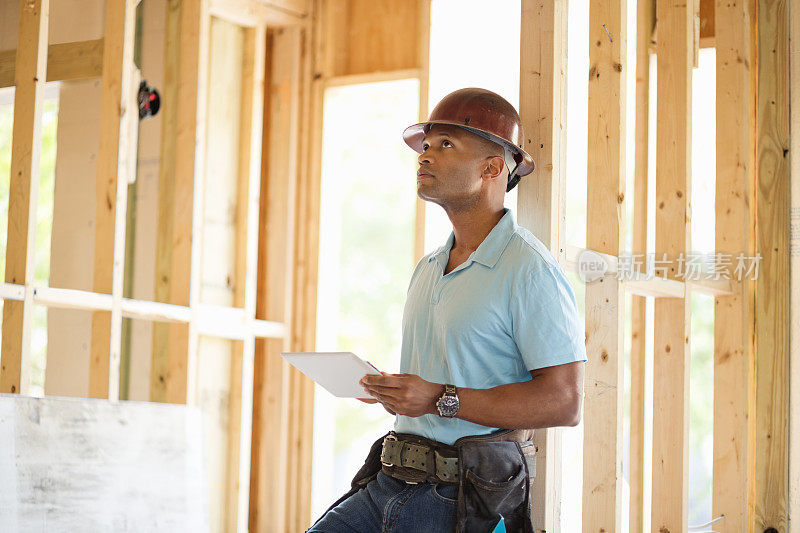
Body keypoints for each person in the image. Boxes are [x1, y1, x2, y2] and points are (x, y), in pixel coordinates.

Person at [307, 88, 586, 533]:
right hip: (388, 482)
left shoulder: (529, 270)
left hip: (459, 501)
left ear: (493, 168)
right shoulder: (430, 267)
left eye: (445, 145)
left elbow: (564, 401)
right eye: (426, 145)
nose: (424, 156)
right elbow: (443, 379)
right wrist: (397, 393)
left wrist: (436, 398)